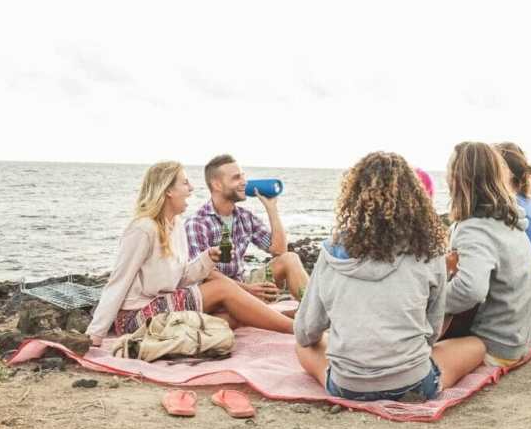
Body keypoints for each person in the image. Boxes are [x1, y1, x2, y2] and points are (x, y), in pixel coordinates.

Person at [294, 151, 481, 400]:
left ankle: (351, 380)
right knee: (478, 346)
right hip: (413, 383)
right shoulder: (430, 250)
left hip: (347, 386)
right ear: (414, 197)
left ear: (354, 197)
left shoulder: (331, 252)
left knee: (302, 346)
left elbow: (306, 331)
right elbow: (433, 329)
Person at [86, 162, 294, 346]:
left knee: (231, 316)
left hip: (163, 303)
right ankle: (294, 328)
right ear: (168, 190)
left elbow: (182, 277)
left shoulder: (176, 225)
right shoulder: (143, 229)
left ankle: (283, 319)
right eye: (185, 183)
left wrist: (205, 259)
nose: (192, 189)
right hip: (136, 315)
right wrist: (95, 334)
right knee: (223, 287)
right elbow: (118, 282)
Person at [433, 142, 531, 371]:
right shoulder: (508, 220)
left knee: (407, 366)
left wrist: (429, 303)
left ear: (459, 180)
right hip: (516, 339)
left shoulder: (475, 228)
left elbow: (470, 290)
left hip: (492, 344)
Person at [185, 154, 309, 302]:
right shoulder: (197, 223)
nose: (244, 182)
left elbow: (280, 250)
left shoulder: (245, 217)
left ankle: (312, 313)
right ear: (217, 185)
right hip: (215, 292)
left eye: (243, 176)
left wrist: (272, 209)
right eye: (237, 178)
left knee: (290, 258)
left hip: (242, 284)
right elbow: (205, 274)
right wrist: (248, 290)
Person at [496, 142, 531, 276]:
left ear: (505, 173)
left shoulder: (519, 210)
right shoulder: (524, 202)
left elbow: (509, 267)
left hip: (526, 290)